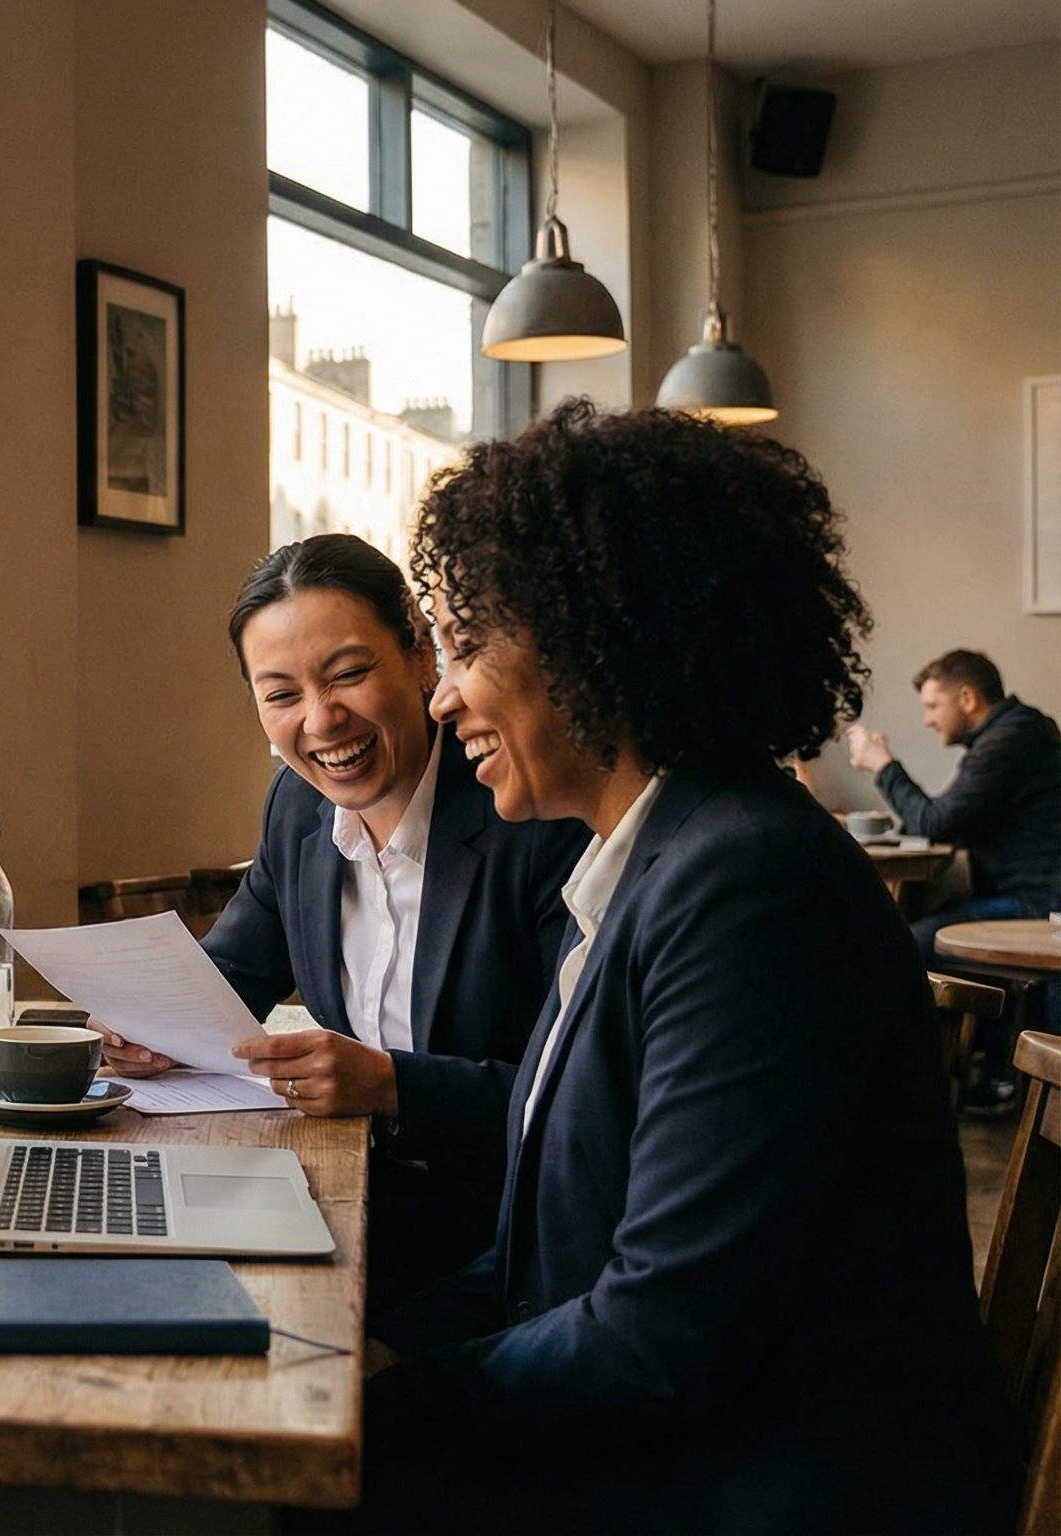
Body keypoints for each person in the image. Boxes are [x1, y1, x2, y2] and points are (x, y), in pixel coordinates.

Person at [360, 403, 1013, 1533]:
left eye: (462, 645)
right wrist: (361, 1355)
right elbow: (530, 1260)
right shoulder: (644, 863)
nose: (440, 693)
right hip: (671, 1449)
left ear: (580, 635)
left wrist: (380, 1402)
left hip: (756, 1489)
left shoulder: (745, 886)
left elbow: (663, 1338)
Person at [99, 535, 582, 1319]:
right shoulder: (297, 810)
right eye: (280, 693)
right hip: (351, 1194)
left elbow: (573, 1099)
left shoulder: (529, 815)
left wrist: (393, 1086)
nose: (322, 721)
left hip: (501, 1237)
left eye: (349, 674)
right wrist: (147, 1027)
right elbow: (225, 980)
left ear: (422, 657)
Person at [847, 648, 1061, 1110]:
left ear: (966, 698)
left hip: (1043, 905)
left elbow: (936, 822)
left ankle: (916, 1091)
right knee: (921, 929)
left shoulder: (1010, 741)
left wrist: (884, 766)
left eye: (931, 706)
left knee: (912, 942)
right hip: (1035, 897)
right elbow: (948, 819)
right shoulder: (1018, 733)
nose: (927, 720)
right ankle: (980, 1075)